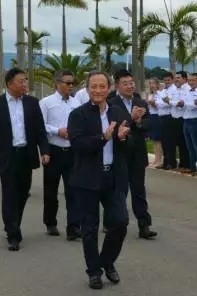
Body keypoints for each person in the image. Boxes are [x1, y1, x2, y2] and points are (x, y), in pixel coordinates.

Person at [68, 70, 131, 289]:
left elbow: (129, 145)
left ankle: (107, 261)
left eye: (102, 86)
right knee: (90, 228)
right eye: (93, 86)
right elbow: (78, 145)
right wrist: (103, 138)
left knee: (120, 222)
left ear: (109, 88)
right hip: (87, 179)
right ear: (87, 89)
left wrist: (122, 138)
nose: (98, 90)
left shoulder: (117, 111)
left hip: (112, 177)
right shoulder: (78, 115)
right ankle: (94, 271)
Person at [0, 68, 49, 251]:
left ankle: (13, 223)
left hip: (26, 155)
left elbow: (40, 129)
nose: (25, 84)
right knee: (10, 195)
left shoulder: (33, 103)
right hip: (7, 156)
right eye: (21, 81)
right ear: (10, 84)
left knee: (23, 193)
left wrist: (44, 151)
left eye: (25, 80)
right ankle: (13, 234)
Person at [109, 69, 157, 240]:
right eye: (125, 83)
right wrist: (130, 118)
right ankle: (114, 222)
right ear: (117, 85)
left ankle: (144, 225)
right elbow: (112, 127)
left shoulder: (140, 102)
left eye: (131, 83)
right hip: (119, 152)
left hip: (137, 153)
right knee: (119, 190)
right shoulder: (111, 103)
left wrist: (139, 121)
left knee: (139, 190)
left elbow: (149, 123)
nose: (130, 86)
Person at [39, 70, 81, 240]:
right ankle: (50, 222)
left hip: (72, 151)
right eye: (67, 83)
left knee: (73, 190)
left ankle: (74, 227)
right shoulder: (46, 103)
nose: (71, 86)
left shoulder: (76, 103)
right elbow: (41, 126)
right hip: (54, 150)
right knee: (51, 190)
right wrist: (57, 131)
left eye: (72, 83)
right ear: (57, 83)